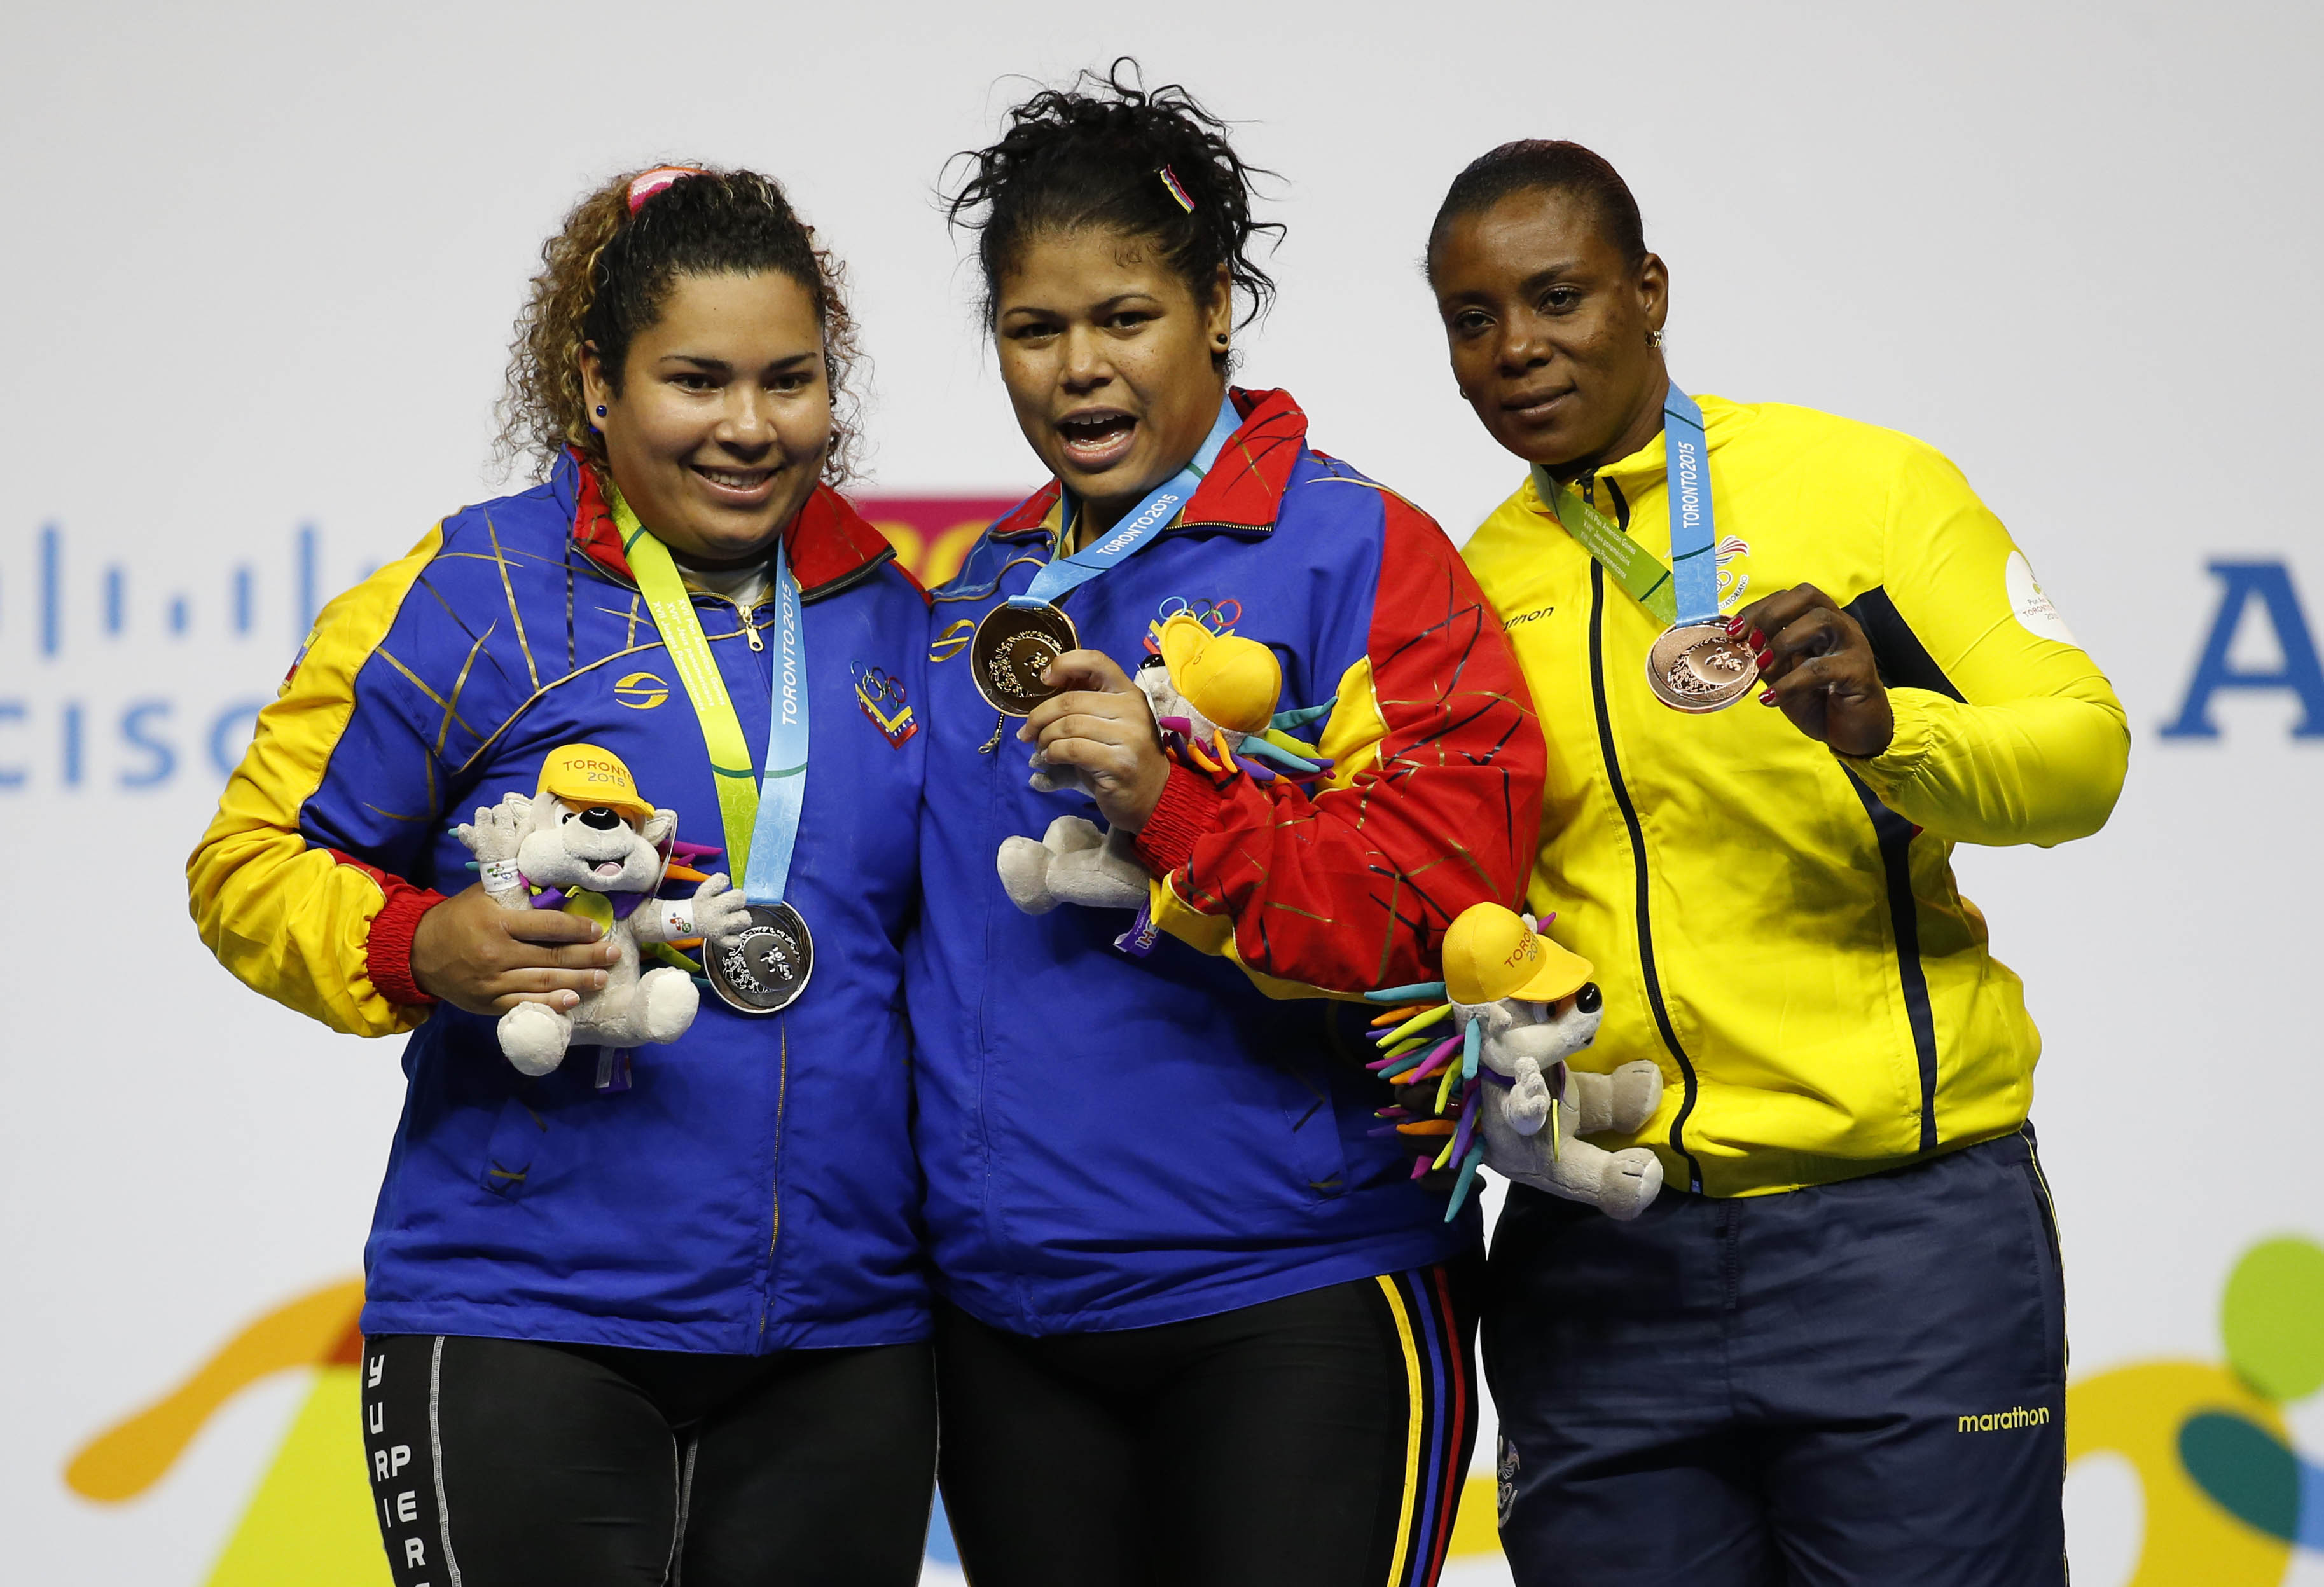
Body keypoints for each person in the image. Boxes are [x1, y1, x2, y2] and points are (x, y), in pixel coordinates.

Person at [186, 165, 936, 1586]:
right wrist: (422, 946)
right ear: (597, 383)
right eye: (696, 380)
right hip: (529, 1315)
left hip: (846, 1339)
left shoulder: (896, 622)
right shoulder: (478, 593)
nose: (749, 426)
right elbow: (246, 863)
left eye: (791, 380)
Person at [1426, 139, 2129, 1585]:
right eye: (1472, 318)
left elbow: (2083, 756)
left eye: (1558, 297)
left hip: (1898, 1244)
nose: (1516, 350)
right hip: (1599, 1263)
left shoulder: (1863, 489)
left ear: (1650, 290)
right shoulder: (1466, 586)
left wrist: (1892, 731)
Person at [907, 66, 1546, 1587]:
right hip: (1011, 1324)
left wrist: (1176, 799)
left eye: (1124, 317)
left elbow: (1450, 911)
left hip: (1292, 1300)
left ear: (1215, 310)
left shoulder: (1359, 551)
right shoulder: (968, 598)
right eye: (1034, 328)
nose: (1077, 370)